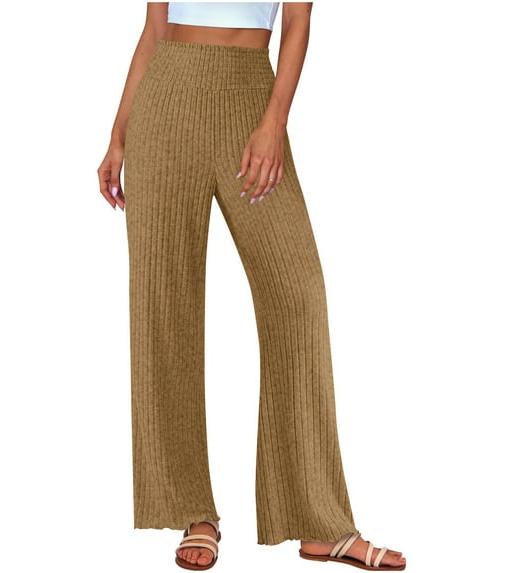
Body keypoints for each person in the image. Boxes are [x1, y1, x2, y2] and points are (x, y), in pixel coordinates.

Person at [97, 2, 406, 571]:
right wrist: (118, 136)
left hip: (249, 99)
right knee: (164, 307)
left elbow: (297, 23)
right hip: (165, 100)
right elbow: (154, 29)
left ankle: (319, 520)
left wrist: (273, 123)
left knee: (298, 297)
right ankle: (192, 509)